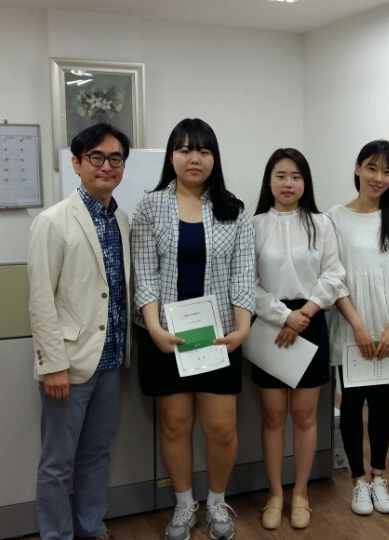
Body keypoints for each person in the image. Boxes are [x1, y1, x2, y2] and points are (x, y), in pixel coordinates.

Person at [130, 118, 255, 540]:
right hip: (167, 336)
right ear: (172, 157)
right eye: (184, 150)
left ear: (214, 158)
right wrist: (153, 327)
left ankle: (217, 501)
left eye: (203, 150)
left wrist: (242, 329)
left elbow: (243, 274)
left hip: (218, 336)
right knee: (175, 425)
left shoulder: (233, 210)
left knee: (221, 428)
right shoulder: (150, 207)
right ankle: (184, 505)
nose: (194, 158)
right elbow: (145, 274)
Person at [28, 123, 133, 540]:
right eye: (97, 157)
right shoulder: (53, 221)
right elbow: (41, 299)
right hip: (69, 364)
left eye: (116, 158)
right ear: (77, 163)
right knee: (58, 461)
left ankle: (91, 527)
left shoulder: (121, 218)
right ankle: (56, 535)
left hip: (110, 360)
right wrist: (52, 364)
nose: (107, 166)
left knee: (97, 452)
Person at [327, 140, 389, 516]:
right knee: (352, 403)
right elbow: (333, 277)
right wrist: (357, 324)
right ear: (357, 168)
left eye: (387, 171)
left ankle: (379, 476)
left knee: (382, 404)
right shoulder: (335, 217)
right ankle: (358, 481)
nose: (379, 178)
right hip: (351, 325)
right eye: (372, 168)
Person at [250, 148, 347, 530]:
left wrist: (303, 313)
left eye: (296, 176)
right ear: (269, 180)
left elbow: (333, 275)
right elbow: (247, 283)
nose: (288, 183)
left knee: (306, 416)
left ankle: (301, 493)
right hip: (269, 325)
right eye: (281, 175)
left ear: (305, 182)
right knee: (273, 417)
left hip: (312, 320)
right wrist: (283, 316)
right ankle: (275, 494)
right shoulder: (255, 224)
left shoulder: (322, 223)